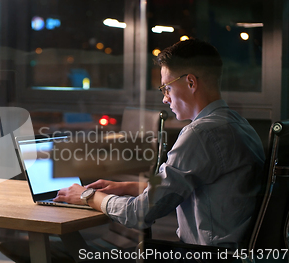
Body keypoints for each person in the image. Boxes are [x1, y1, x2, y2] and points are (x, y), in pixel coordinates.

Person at [54, 39, 265, 253]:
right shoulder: (238, 124)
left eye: (166, 88)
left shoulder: (200, 134)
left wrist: (86, 196)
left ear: (191, 82)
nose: (165, 99)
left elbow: (139, 213)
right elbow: (195, 189)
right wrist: (129, 187)